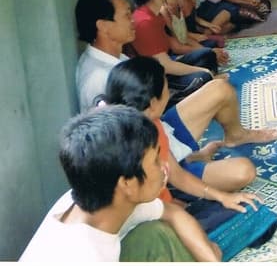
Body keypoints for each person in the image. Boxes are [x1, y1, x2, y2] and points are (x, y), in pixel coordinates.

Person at [74, 0, 277, 186]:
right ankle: (183, 174)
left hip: (161, 136)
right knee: (242, 172)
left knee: (220, 89)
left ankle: (236, 136)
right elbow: (127, 148)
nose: (133, 20)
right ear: (103, 26)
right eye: (127, 15)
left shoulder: (114, 57)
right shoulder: (98, 77)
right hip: (152, 165)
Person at [19, 105, 220, 262]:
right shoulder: (87, 255)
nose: (164, 166)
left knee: (154, 235)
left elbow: (172, 212)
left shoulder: (101, 196)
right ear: (127, 183)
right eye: (156, 160)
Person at [101, 58, 262, 222]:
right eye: (166, 89)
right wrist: (167, 204)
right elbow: (177, 176)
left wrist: (220, 197)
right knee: (243, 174)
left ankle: (198, 157)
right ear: (153, 103)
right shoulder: (134, 141)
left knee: (220, 88)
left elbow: (173, 170)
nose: (169, 92)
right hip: (154, 200)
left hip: (164, 167)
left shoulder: (136, 118)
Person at [130, 0, 218, 104]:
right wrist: (205, 72)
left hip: (166, 64)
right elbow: (166, 66)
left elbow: (172, 45)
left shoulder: (154, 15)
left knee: (207, 54)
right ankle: (175, 98)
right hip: (157, 80)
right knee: (203, 76)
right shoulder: (144, 22)